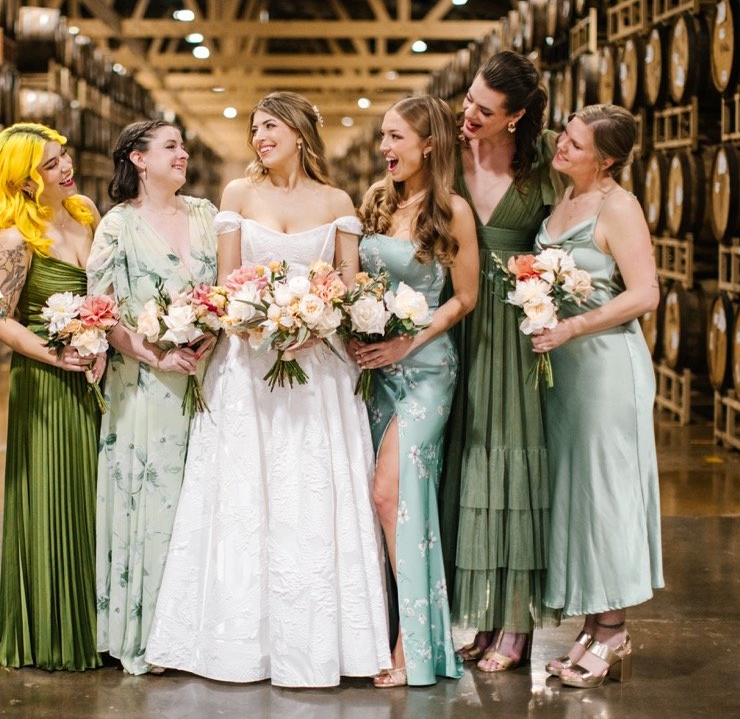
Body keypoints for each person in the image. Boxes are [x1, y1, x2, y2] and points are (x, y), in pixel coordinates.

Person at [145, 91, 390, 688]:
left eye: (271, 127)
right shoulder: (238, 194)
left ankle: (326, 644)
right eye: (256, 128)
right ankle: (235, 642)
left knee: (311, 493)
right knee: (247, 494)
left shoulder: (336, 201)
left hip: (320, 368)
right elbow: (228, 286)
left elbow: (350, 289)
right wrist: (259, 320)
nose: (260, 138)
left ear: (302, 134)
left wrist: (316, 323)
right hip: (248, 365)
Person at [529, 104, 663, 688]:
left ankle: (613, 629)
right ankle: (592, 626)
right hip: (565, 371)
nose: (562, 146)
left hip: (607, 368)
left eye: (576, 144)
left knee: (606, 494)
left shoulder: (620, 207)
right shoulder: (563, 202)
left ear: (606, 158)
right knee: (578, 495)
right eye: (565, 134)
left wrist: (575, 327)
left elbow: (646, 294)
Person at [439, 50, 561, 672]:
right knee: (463, 463)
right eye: (468, 101)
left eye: (485, 111)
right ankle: (480, 618)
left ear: (514, 118)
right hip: (453, 323)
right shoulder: (446, 161)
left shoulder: (543, 173)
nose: (469, 115)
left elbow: (575, 238)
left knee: (508, 464)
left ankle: (515, 625)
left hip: (514, 333)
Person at [352, 96, 479, 687]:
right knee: (388, 502)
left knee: (390, 492)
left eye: (396, 137)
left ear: (428, 144)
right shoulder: (379, 201)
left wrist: (411, 341)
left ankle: (413, 643)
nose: (385, 148)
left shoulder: (452, 210)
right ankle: (384, 632)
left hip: (426, 367)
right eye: (383, 136)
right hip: (377, 368)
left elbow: (465, 297)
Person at [86, 120, 219, 675]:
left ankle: (204, 630)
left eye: (184, 146)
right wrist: (154, 354)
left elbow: (235, 287)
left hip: (211, 378)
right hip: (145, 384)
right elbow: (103, 310)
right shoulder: (118, 224)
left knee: (207, 503)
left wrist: (219, 329)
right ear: (138, 160)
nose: (183, 154)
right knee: (157, 503)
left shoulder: (207, 214)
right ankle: (152, 634)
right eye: (170, 147)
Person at [0, 123, 105, 671]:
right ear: (25, 179)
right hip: (45, 380)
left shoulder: (86, 214)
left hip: (94, 376)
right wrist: (56, 355)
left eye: (64, 157)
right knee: (52, 492)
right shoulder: (13, 238)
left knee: (94, 496)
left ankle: (99, 626)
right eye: (51, 164)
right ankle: (51, 632)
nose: (65, 168)